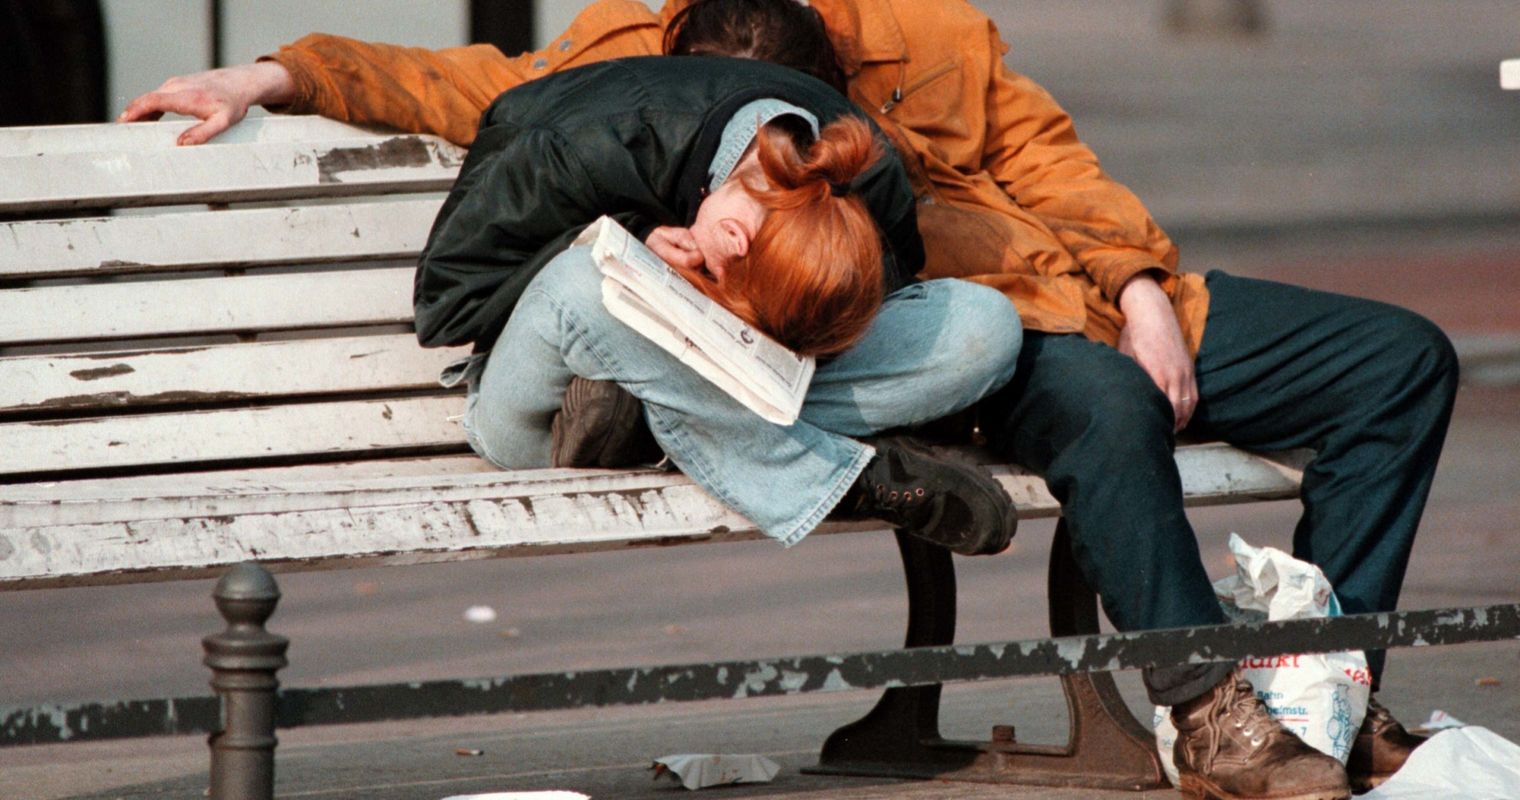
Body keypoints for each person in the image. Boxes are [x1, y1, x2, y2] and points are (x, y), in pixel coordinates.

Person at [122, 1, 1456, 797]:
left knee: (1400, 360)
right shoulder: (628, 46)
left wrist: (1147, 282)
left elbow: (1056, 166)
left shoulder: (933, 33)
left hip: (1070, 295)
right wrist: (274, 73)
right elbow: (467, 82)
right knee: (1094, 399)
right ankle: (1215, 717)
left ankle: (1322, 702)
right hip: (875, 344)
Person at [412, 52, 1022, 557]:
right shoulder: (567, 144)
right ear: (733, 241)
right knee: (588, 283)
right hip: (540, 419)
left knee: (983, 325)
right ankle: (848, 482)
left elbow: (877, 310)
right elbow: (448, 306)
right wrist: (627, 235)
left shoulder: (858, 173)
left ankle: (659, 432)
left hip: (622, 418)